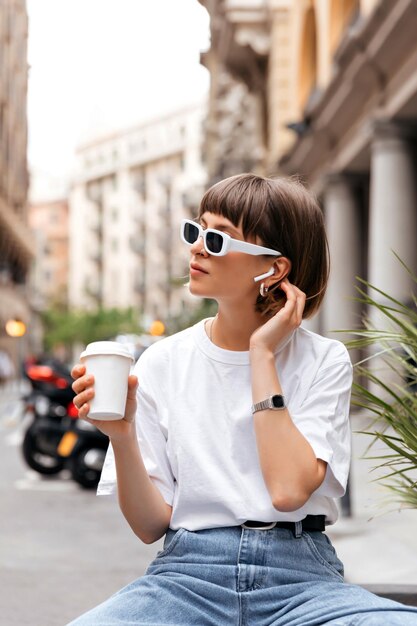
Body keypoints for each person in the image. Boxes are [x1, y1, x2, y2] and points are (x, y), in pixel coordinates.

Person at [68, 173, 417, 625]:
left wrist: (262, 354)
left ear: (273, 269)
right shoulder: (161, 361)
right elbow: (149, 526)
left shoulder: (324, 360)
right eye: (196, 230)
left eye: (217, 239)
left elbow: (289, 491)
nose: (196, 247)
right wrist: (121, 435)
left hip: (301, 581)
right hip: (186, 578)